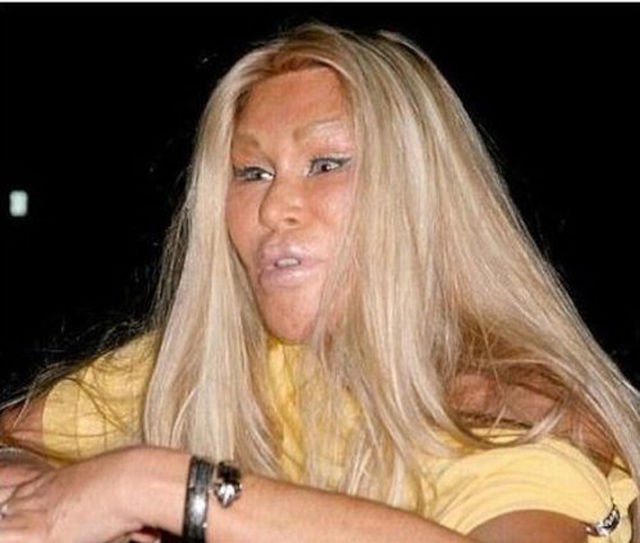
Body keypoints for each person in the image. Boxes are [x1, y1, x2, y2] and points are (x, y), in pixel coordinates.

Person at [0, 22, 638, 543]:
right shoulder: (228, 366)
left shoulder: (502, 414)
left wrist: (153, 488)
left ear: (420, 195)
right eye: (251, 173)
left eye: (326, 164)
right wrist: (44, 491)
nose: (275, 208)